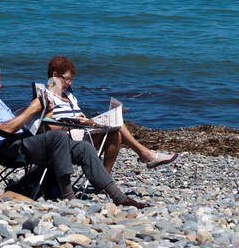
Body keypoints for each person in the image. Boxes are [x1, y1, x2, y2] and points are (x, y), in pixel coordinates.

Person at [0, 62, 146, 208]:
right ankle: (68, 195)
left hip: (22, 141)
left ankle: (118, 197)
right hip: (6, 149)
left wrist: (37, 113)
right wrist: (32, 110)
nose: (0, 85)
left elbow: (11, 120)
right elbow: (4, 130)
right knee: (59, 137)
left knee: (83, 147)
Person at [38, 55, 177, 174]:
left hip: (80, 133)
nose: (69, 83)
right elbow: (48, 127)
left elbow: (78, 118)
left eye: (71, 80)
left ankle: (104, 178)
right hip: (64, 141)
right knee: (117, 125)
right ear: (55, 75)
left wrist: (84, 120)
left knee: (116, 132)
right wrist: (78, 122)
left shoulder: (69, 96)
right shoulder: (45, 96)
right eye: (67, 79)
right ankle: (146, 155)